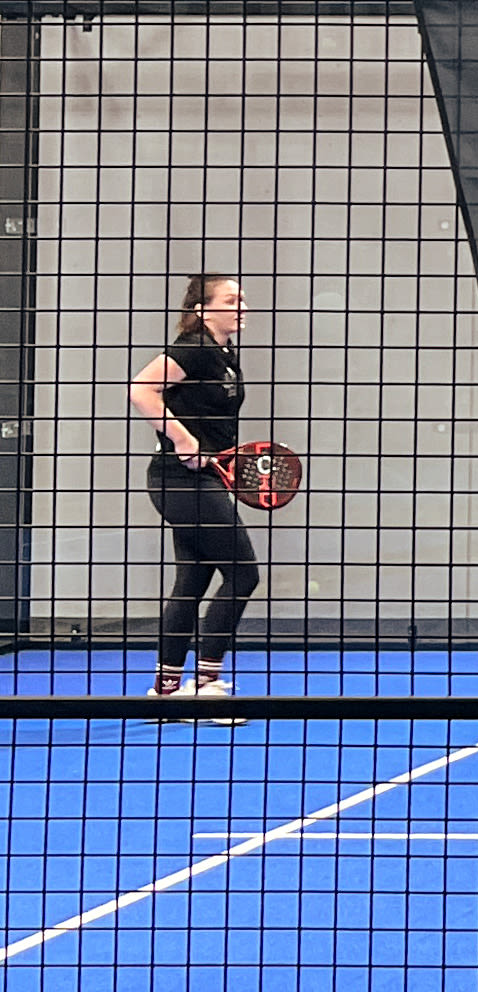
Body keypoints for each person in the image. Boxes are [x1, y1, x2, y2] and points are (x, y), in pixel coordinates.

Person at [131, 270, 257, 704]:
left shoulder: (225, 353)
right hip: (178, 479)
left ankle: (165, 692)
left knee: (193, 580)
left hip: (205, 478)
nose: (241, 307)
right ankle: (205, 684)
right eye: (229, 301)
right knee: (243, 573)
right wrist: (184, 440)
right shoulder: (195, 348)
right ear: (200, 310)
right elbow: (142, 389)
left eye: (241, 299)